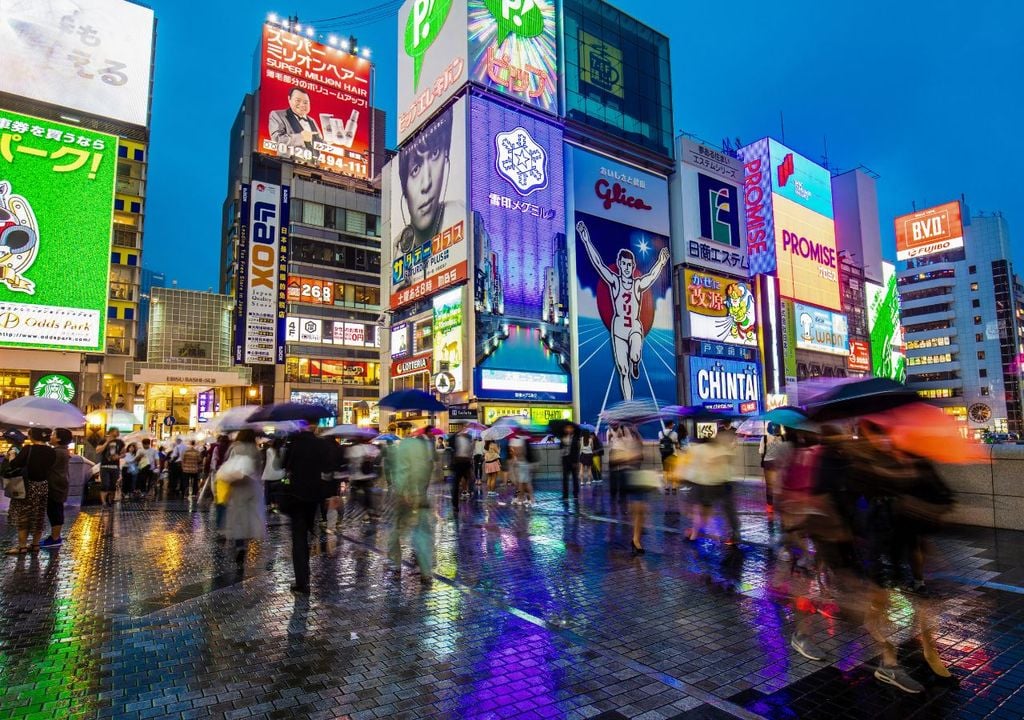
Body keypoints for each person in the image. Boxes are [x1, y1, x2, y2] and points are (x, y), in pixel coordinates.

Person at [576, 220, 671, 401]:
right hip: (618, 328)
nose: (627, 268)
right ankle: (628, 403)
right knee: (623, 370)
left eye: (630, 265)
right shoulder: (614, 281)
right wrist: (586, 239)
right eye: (624, 264)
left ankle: (636, 362)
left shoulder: (637, 284)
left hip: (634, 326)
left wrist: (661, 261)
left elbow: (651, 277)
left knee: (634, 355)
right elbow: (598, 264)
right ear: (619, 264)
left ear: (633, 266)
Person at [393, 110, 456, 289]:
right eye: (415, 169)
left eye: (435, 153)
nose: (427, 182)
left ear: (446, 161)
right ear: (403, 188)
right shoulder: (398, 248)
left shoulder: (460, 216)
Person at [282, 422, 329, 594]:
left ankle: (303, 581)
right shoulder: (320, 444)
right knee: (309, 534)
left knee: (298, 538)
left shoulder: (293, 443)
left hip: (296, 496)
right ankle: (305, 576)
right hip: (314, 497)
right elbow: (327, 468)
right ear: (314, 426)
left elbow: (282, 466)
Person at [388, 429, 435, 586]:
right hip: (420, 493)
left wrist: (403, 492)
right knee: (421, 533)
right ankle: (426, 572)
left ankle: (395, 564)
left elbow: (401, 470)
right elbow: (427, 470)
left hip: (406, 494)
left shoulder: (404, 446)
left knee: (396, 530)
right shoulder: (424, 447)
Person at [686, 425, 741, 544]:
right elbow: (730, 457)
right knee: (727, 509)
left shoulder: (698, 448)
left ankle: (696, 532)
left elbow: (692, 464)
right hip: (721, 482)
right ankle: (734, 534)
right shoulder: (719, 448)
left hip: (708, 483)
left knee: (700, 508)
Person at [5, 427, 57, 554]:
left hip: (27, 486)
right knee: (39, 515)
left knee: (24, 516)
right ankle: (35, 545)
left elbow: (14, 465)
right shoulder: (51, 451)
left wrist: (11, 456)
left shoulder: (28, 449)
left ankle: (22, 546)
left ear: (33, 436)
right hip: (43, 486)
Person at [222, 429, 265, 568]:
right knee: (249, 518)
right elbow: (259, 469)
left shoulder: (234, 448)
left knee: (237, 518)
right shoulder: (256, 450)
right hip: (253, 487)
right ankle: (245, 544)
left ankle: (239, 545)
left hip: (238, 487)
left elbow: (227, 466)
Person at [39, 428, 72, 549]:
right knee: (55, 510)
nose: (50, 436)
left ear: (58, 438)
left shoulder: (57, 452)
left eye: (53, 434)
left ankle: (55, 538)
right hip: (58, 484)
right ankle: (54, 537)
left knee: (55, 511)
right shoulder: (61, 451)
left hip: (55, 485)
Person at [268, 87, 323, 152]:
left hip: (314, 161)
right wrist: (301, 138)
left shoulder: (312, 120)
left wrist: (327, 144)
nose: (302, 105)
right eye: (298, 100)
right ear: (289, 99)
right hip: (286, 161)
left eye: (305, 102)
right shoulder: (277, 115)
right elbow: (276, 139)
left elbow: (319, 144)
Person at [96, 429, 124, 506]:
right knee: (105, 484)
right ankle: (104, 502)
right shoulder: (103, 441)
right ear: (110, 433)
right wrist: (107, 442)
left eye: (117, 432)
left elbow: (124, 453)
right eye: (115, 432)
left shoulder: (120, 442)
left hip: (115, 466)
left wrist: (118, 456)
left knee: (113, 485)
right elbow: (98, 451)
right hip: (105, 466)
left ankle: (110, 500)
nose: (117, 433)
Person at [261, 436, 287, 514]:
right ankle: (277, 505)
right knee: (279, 491)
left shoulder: (269, 450)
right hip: (280, 474)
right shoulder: (284, 450)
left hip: (269, 475)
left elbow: (266, 462)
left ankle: (270, 506)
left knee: (268, 492)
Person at [450, 430, 474, 509]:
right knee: (456, 484)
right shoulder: (454, 438)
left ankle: (470, 493)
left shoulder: (469, 438)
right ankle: (455, 504)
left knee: (471, 479)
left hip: (466, 462)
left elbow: (470, 450)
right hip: (458, 463)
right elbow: (451, 450)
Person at [510, 433, 535, 507]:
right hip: (525, 464)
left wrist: (514, 452)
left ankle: (521, 498)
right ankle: (528, 498)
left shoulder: (519, 442)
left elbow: (519, 453)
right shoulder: (525, 441)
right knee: (525, 482)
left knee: (521, 483)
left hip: (521, 464)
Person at [560, 423, 581, 508]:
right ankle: (565, 495)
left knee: (575, 478)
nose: (568, 429)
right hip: (565, 460)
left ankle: (575, 494)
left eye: (570, 428)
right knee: (565, 478)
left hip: (573, 461)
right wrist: (563, 444)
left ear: (572, 429)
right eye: (567, 428)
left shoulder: (576, 438)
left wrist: (576, 462)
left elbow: (576, 450)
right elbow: (560, 448)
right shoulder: (563, 437)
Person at [659, 421, 679, 494]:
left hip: (664, 455)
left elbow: (660, 443)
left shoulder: (660, 433)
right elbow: (677, 444)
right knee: (673, 471)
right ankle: (673, 487)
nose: (673, 425)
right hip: (673, 454)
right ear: (670, 425)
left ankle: (666, 487)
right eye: (672, 424)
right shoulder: (674, 434)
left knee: (665, 471)